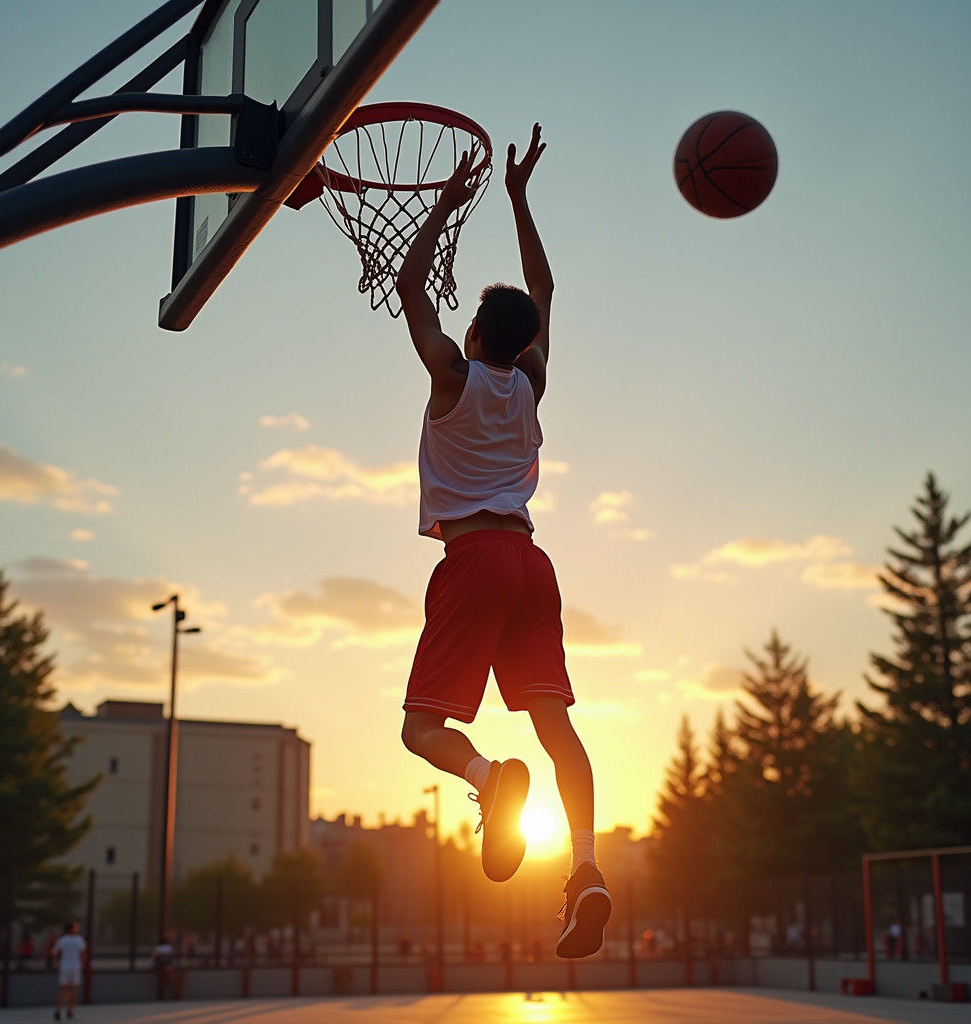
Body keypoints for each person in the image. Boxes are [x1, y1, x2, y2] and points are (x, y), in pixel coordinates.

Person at [396, 123, 611, 959]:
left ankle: (493, 781)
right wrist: (519, 199)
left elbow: (410, 283)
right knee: (560, 728)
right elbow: (545, 289)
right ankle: (586, 870)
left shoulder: (451, 375)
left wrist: (448, 200)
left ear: (476, 334)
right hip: (533, 564)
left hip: (476, 559)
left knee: (422, 731)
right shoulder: (532, 382)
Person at [51, 921, 86, 1021]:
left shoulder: (62, 939)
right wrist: (82, 964)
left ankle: (61, 1010)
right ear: (71, 929)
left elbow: (54, 952)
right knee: (72, 990)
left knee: (64, 990)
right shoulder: (79, 940)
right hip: (74, 967)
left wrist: (58, 962)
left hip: (65, 967)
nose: (77, 929)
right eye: (76, 927)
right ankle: (68, 1011)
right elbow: (82, 953)